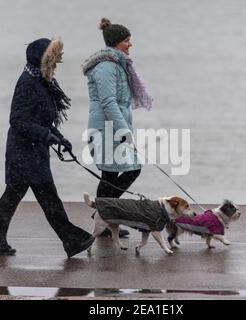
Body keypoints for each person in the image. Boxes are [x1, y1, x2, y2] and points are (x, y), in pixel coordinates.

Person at [0, 37, 94, 258]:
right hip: (23, 154)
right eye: (56, 56)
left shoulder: (41, 81)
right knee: (46, 198)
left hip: (32, 153)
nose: (59, 61)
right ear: (44, 58)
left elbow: (42, 119)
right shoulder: (27, 82)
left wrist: (58, 137)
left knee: (20, 198)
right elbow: (17, 119)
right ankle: (71, 239)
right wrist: (47, 136)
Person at [82, 18, 153, 237]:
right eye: (127, 41)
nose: (130, 44)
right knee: (115, 174)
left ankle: (102, 218)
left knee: (115, 174)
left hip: (114, 126)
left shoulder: (117, 63)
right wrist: (123, 130)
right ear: (116, 43)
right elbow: (108, 102)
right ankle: (104, 218)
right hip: (106, 129)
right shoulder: (106, 67)